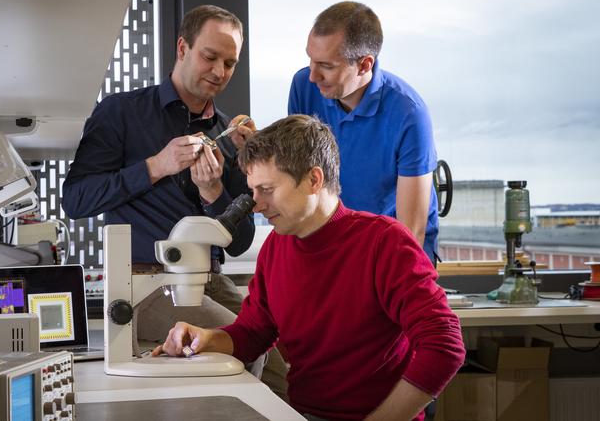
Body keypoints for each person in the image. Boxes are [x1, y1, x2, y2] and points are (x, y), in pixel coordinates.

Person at [154, 115, 465, 421]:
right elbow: (253, 334)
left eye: (268, 190)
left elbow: (444, 345)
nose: (258, 206)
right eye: (253, 191)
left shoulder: (384, 243)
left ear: (314, 179)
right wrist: (206, 338)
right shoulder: (276, 247)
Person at [61, 5, 286, 396]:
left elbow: (243, 241)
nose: (220, 71)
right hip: (145, 287)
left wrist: (214, 192)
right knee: (245, 353)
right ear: (182, 48)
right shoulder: (122, 112)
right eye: (210, 57)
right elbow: (76, 200)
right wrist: (155, 166)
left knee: (286, 363)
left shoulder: (229, 134)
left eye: (230, 62)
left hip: (211, 281)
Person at [288, 1, 439, 264]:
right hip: (333, 240)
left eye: (326, 65)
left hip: (392, 246)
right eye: (310, 59)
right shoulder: (304, 86)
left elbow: (410, 234)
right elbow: (299, 178)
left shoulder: (409, 114)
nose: (313, 75)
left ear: (364, 64)